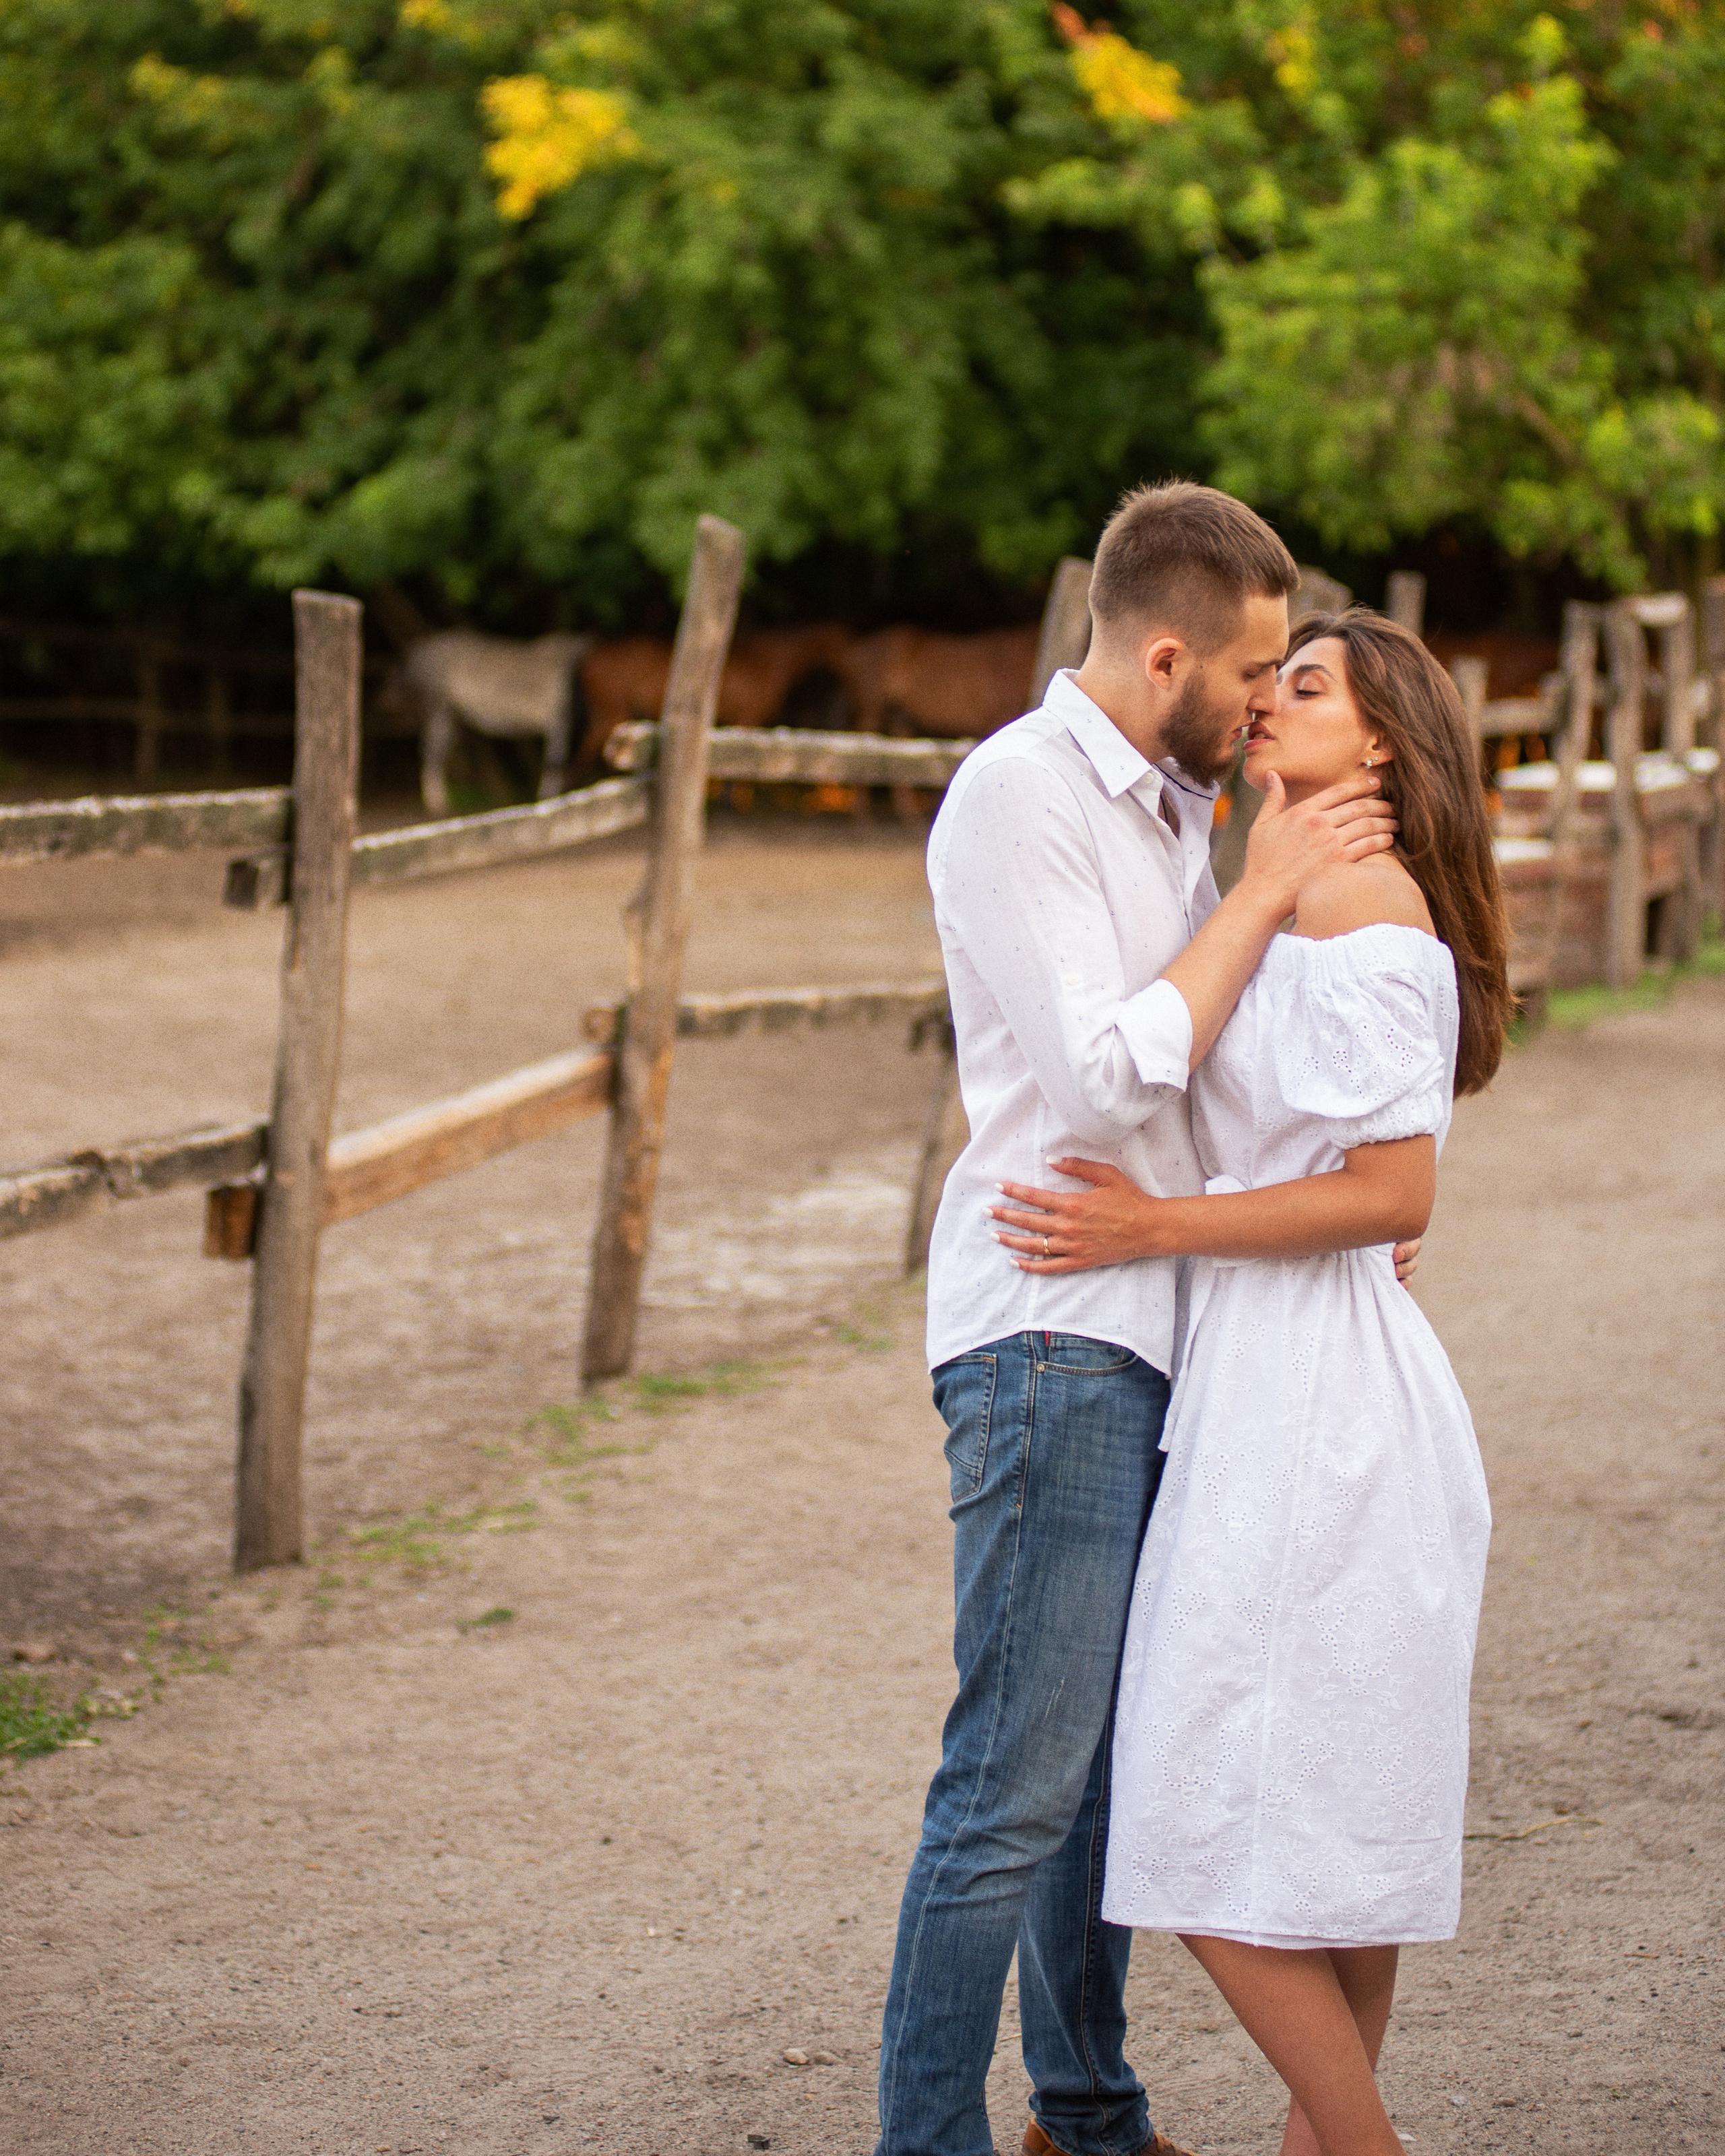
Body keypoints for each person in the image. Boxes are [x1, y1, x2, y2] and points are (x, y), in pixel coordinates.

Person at [878, 482, 1418, 2156]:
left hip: (1162, 1331)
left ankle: (1084, 2118)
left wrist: (1340, 1204)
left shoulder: (1176, 807)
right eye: (1252, 668)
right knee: (1012, 1786)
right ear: (1165, 651)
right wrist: (1258, 898)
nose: (1265, 698)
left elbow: (1226, 1079)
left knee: (1103, 1781)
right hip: (1050, 1322)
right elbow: (1113, 1083)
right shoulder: (1018, 797)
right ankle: (928, 2143)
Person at [990, 610, 1513, 2156]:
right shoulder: (1287, 890)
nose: (1265, 702)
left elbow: (1392, 1192)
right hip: (1289, 1369)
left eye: (1307, 688)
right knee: (1325, 1812)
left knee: (1185, 1814)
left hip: (1312, 1407)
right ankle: (1325, 2137)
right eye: (1268, 678)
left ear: (1380, 747)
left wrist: (1153, 1226)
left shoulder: (1356, 898)